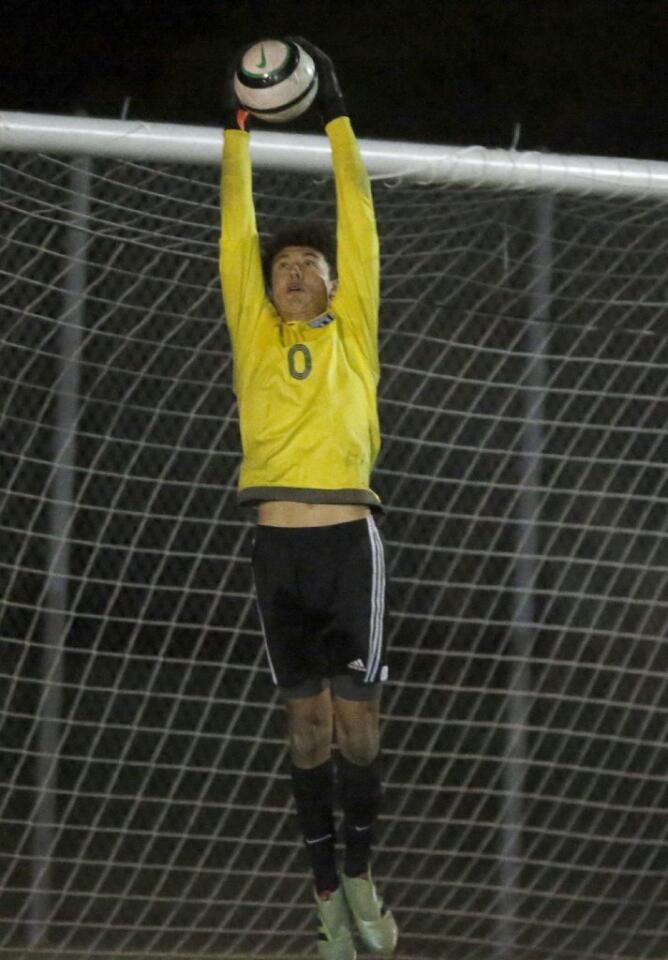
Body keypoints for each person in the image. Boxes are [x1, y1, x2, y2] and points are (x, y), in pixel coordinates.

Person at [220, 38, 397, 960]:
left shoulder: (351, 336)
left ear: (332, 284)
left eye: (309, 264)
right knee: (306, 725)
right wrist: (237, 131)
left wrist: (333, 117)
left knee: (357, 722)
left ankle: (363, 867)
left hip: (347, 542)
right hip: (277, 548)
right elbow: (232, 230)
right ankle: (325, 891)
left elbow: (355, 214)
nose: (293, 270)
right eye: (281, 263)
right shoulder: (254, 336)